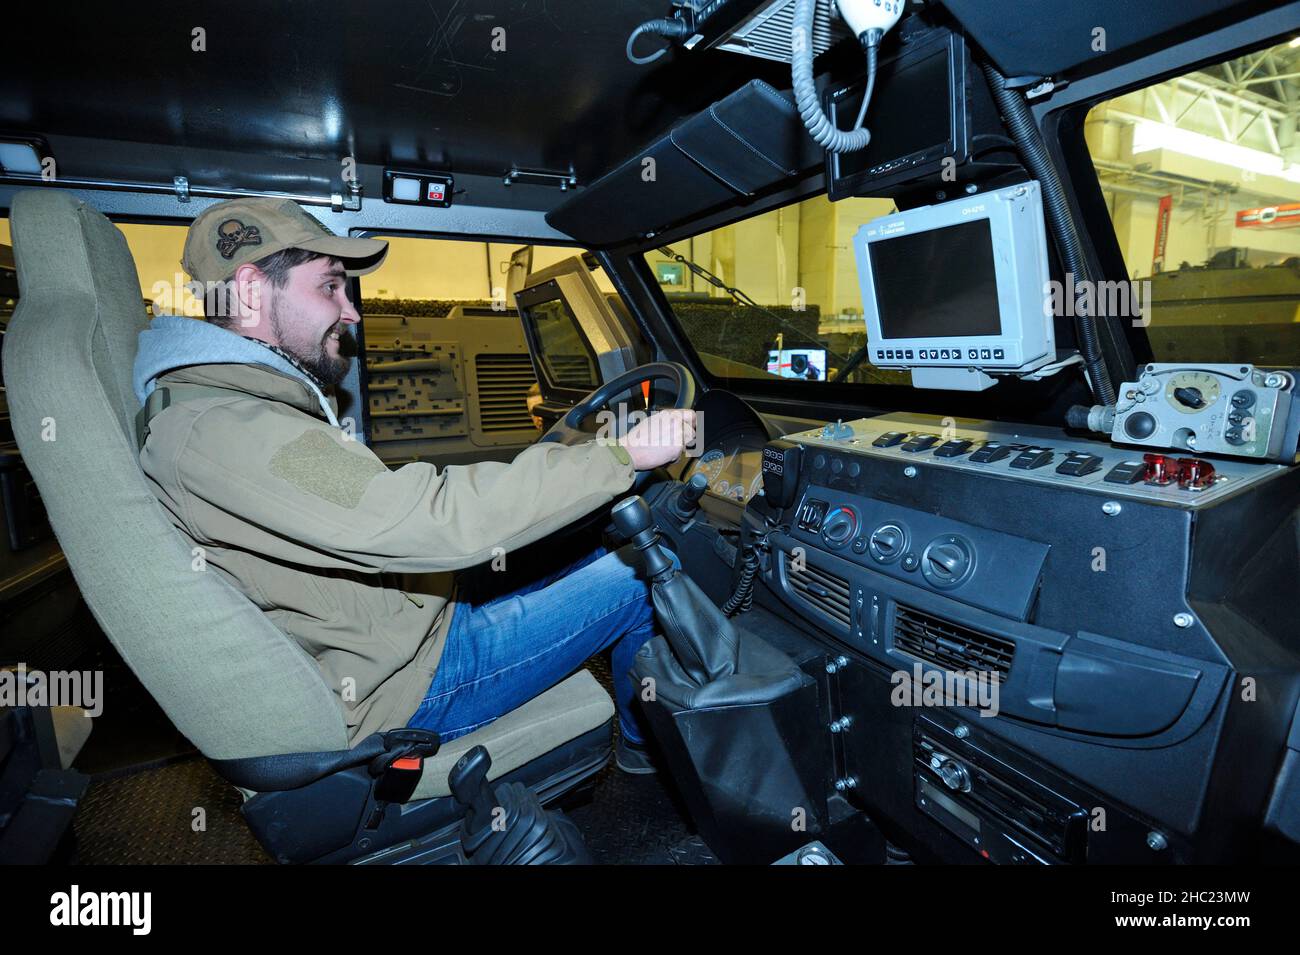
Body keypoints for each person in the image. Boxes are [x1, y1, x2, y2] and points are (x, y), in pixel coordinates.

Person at [133, 197, 695, 773]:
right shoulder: (228, 431)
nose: (349, 312)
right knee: (647, 573)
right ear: (251, 290)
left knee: (592, 547)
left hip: (402, 627)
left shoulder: (228, 410)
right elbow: (428, 521)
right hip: (407, 683)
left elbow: (389, 518)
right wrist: (624, 453)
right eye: (330, 286)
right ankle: (646, 759)